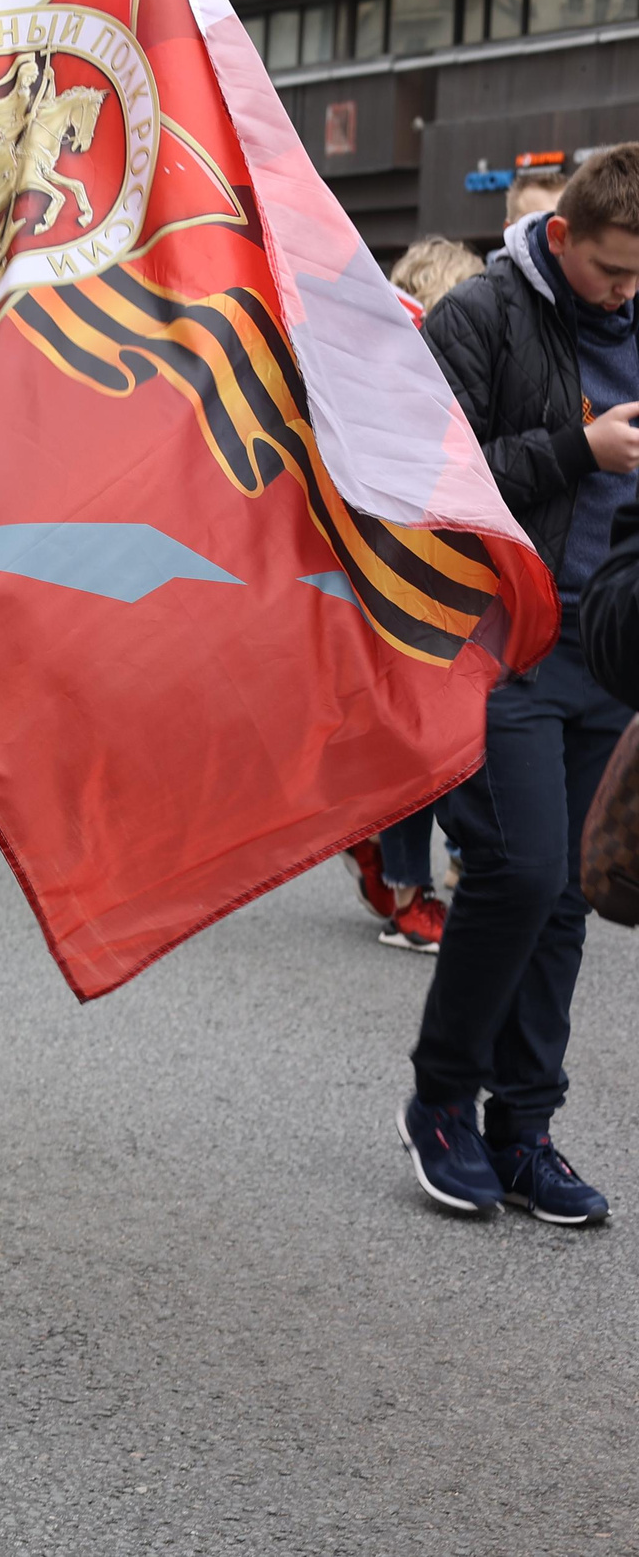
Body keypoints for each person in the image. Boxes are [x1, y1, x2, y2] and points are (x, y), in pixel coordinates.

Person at [396, 145, 639, 1228]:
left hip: (608, 653)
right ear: (560, 238)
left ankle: (525, 1126)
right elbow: (424, 480)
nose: (625, 293)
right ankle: (441, 1101)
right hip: (497, 642)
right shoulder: (484, 315)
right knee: (520, 870)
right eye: (609, 271)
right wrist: (577, 451)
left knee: (571, 894)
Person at [344, 237, 483, 952]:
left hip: (422, 579)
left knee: (419, 741)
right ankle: (406, 885)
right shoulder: (405, 372)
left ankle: (391, 860)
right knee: (425, 746)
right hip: (409, 579)